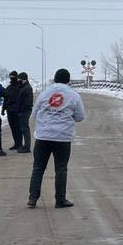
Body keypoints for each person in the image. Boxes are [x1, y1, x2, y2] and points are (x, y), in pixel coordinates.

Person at [28, 68, 85, 209]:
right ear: (68, 80)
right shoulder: (73, 95)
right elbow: (80, 117)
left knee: (38, 168)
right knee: (61, 169)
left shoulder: (44, 94)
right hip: (63, 137)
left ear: (54, 79)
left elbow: (34, 113)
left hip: (43, 136)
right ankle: (60, 200)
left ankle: (33, 198)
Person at [14, 71, 34, 152]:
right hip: (23, 111)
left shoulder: (27, 88)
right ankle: (25, 145)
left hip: (24, 111)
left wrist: (21, 110)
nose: (18, 80)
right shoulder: (23, 87)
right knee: (23, 128)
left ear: (23, 79)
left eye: (19, 79)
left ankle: (27, 146)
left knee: (25, 129)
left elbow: (27, 102)